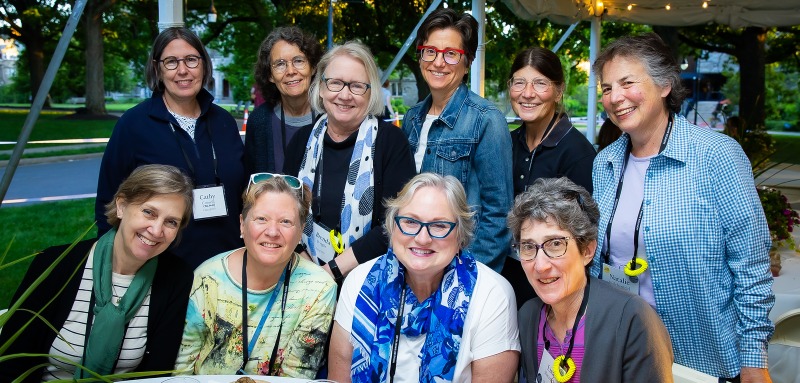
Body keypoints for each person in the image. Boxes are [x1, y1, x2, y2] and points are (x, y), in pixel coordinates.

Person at [592, 33, 774, 382]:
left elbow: (751, 265)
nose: (615, 98)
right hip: (626, 351)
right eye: (606, 88)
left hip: (699, 359)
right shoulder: (606, 163)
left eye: (627, 83)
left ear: (664, 85)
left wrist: (754, 358)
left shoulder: (716, 156)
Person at [0, 164, 195, 382]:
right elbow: (11, 364)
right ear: (121, 206)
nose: (157, 230)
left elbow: (159, 372)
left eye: (171, 222)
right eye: (149, 212)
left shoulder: (176, 277)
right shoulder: (55, 265)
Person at [328, 173, 520, 383]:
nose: (422, 238)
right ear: (393, 227)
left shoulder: (492, 295)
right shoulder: (359, 281)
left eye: (439, 226)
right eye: (410, 221)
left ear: (460, 236)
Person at [96, 27, 246, 269]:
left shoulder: (224, 122)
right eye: (171, 62)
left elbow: (241, 193)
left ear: (204, 65)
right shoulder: (133, 125)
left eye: (191, 60)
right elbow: (108, 202)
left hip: (227, 267)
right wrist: (111, 268)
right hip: (161, 271)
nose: (183, 70)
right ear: (157, 69)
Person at [509, 177, 673, 383]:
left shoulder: (632, 319)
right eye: (528, 247)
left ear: (587, 250)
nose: (540, 265)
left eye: (555, 244)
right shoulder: (528, 317)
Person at [174, 174, 337, 377]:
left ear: (301, 230)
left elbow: (298, 375)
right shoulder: (207, 279)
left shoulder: (318, 288)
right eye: (261, 219)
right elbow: (181, 369)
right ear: (242, 224)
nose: (272, 231)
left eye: (286, 221)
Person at [284, 41, 416, 283]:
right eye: (335, 83)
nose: (344, 95)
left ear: (370, 92)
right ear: (321, 88)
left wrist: (330, 272)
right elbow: (283, 212)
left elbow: (396, 222)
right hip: (302, 276)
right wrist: (308, 270)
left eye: (356, 86)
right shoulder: (302, 140)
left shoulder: (391, 143)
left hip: (369, 283)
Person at [401, 8, 513, 273]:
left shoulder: (486, 120)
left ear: (468, 62)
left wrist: (466, 277)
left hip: (460, 268)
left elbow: (499, 216)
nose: (438, 63)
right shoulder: (411, 119)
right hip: (413, 263)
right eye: (431, 51)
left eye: (451, 54)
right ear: (420, 56)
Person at [503, 47, 596, 308]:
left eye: (540, 83)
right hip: (508, 276)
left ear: (558, 90)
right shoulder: (506, 143)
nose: (527, 93)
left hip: (552, 284)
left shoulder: (577, 153)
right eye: (519, 82)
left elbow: (582, 236)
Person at [245, 26, 323, 175]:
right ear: (270, 75)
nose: (291, 71)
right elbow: (251, 184)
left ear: (313, 67)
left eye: (299, 61)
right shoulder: (259, 121)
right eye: (280, 64)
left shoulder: (332, 116)